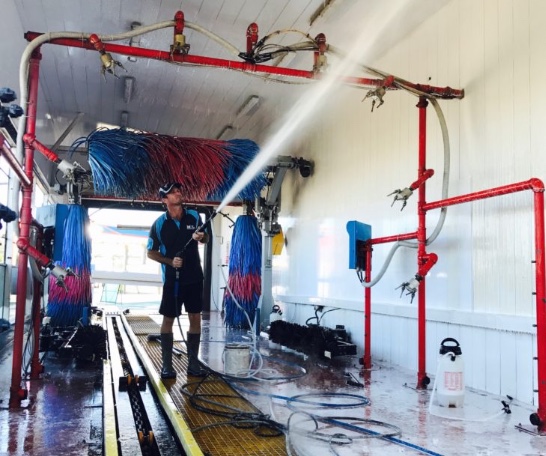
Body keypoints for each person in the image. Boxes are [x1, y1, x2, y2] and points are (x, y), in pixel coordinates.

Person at [147, 182, 209, 379]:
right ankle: (167, 366)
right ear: (164, 200)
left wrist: (202, 237)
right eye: (172, 192)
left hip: (194, 277)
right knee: (168, 319)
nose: (178, 193)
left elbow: (205, 238)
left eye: (178, 190)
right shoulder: (159, 224)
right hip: (172, 280)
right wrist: (169, 262)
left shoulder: (193, 216)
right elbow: (151, 252)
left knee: (195, 317)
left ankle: (193, 364)